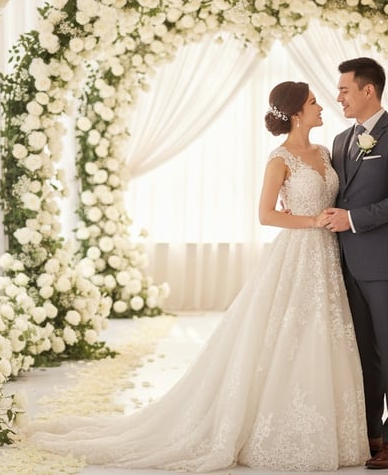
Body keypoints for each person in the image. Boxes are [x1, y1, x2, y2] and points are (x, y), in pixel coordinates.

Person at [27, 81, 369, 471]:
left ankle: (326, 429)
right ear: (295, 114)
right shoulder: (280, 158)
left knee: (321, 335)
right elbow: (266, 214)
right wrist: (311, 220)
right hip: (297, 254)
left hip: (328, 256)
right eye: (312, 102)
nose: (320, 105)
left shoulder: (326, 153)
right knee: (287, 335)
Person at [322, 57, 388, 468]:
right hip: (344, 265)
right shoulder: (340, 140)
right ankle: (370, 435)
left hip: (383, 265)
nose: (338, 96)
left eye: (345, 89)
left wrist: (354, 220)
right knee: (362, 353)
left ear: (368, 90)